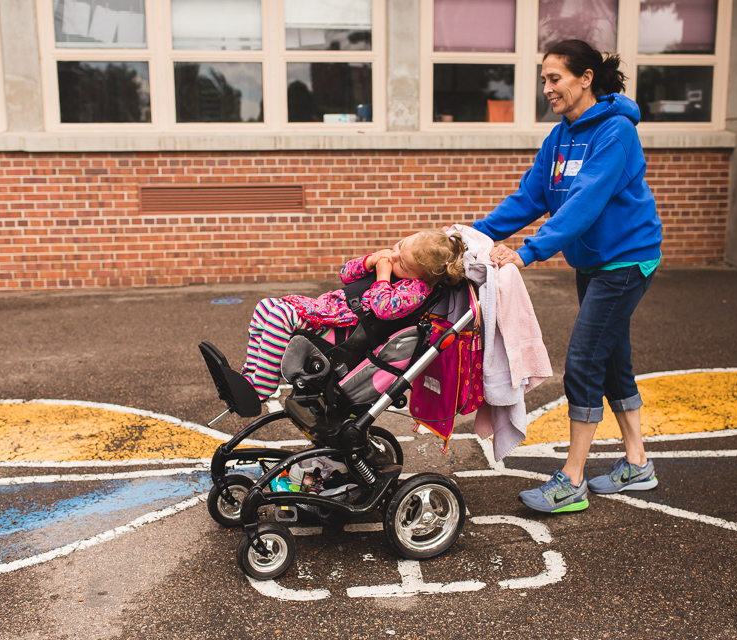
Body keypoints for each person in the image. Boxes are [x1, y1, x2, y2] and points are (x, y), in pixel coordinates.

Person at [472, 39, 663, 514]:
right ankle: (638, 464)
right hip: (594, 262)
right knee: (613, 360)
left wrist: (529, 252)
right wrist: (471, 236)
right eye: (544, 80)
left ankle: (572, 478)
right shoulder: (560, 136)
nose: (547, 88)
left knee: (582, 361)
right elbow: (530, 197)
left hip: (625, 260)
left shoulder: (616, 133)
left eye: (554, 78)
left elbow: (585, 202)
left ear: (585, 78)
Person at [240, 230, 467, 400]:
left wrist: (383, 276)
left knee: (281, 315)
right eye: (398, 246)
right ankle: (251, 374)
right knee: (265, 306)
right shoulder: (391, 263)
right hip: (330, 311)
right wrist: (370, 261)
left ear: (422, 275)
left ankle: (262, 386)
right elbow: (346, 274)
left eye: (402, 264)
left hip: (342, 330)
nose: (393, 256)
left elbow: (384, 308)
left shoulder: (416, 291)